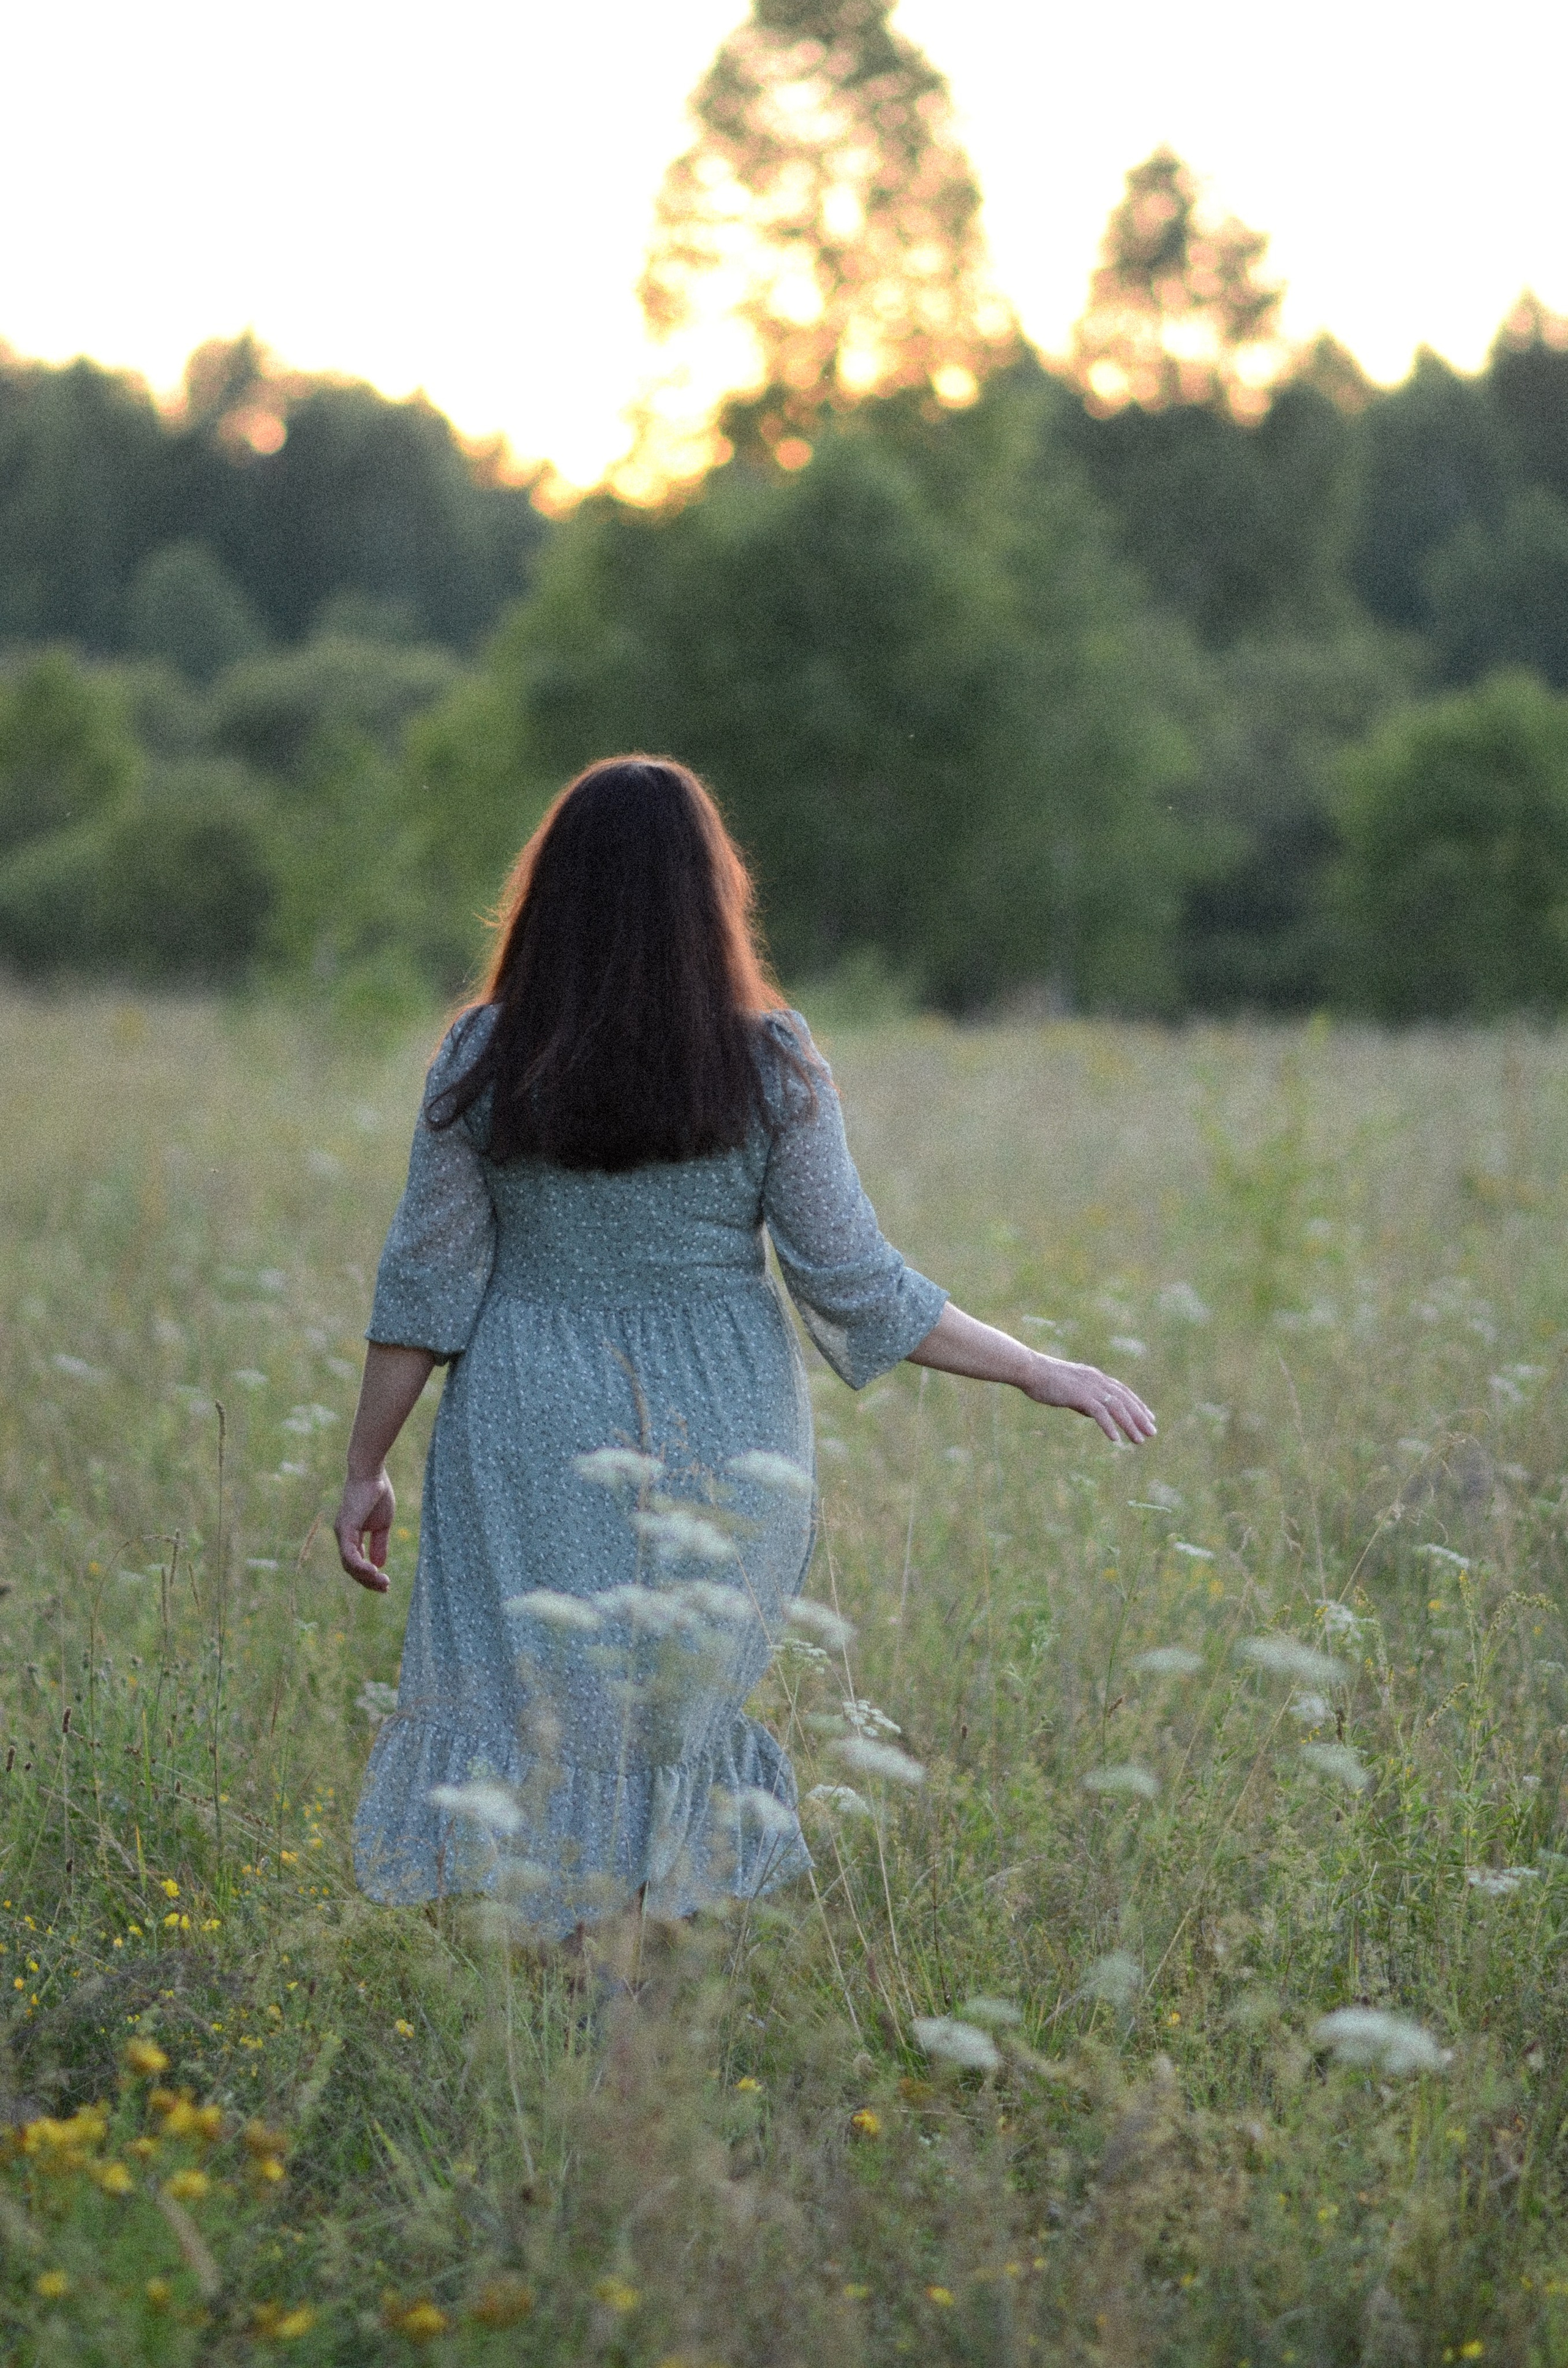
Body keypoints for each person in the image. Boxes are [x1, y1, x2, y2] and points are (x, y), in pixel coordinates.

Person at [335, 756, 1154, 1938]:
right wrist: (1038, 1365)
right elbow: (857, 1282)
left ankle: (566, 1995)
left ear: (549, 893)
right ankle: (635, 1988)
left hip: (526, 1415)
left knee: (544, 1714)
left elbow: (427, 1282)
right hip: (725, 1426)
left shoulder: (482, 1056)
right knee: (670, 1713)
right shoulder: (768, 1061)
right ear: (709, 893)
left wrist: (366, 1463)